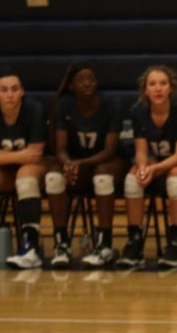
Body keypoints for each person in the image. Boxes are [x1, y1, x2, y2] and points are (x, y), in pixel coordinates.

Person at [116, 65, 177, 269]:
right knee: (133, 179)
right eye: (152, 84)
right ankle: (135, 242)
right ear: (145, 90)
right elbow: (140, 151)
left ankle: (175, 241)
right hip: (158, 160)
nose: (158, 89)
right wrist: (144, 167)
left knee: (175, 178)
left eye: (163, 84)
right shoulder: (138, 111)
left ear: (171, 88)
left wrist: (154, 170)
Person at [45, 61, 128, 268]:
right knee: (54, 177)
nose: (88, 83)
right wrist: (68, 163)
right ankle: (61, 244)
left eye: (91, 78)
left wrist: (78, 164)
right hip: (78, 164)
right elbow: (61, 148)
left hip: (109, 162)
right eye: (81, 79)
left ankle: (105, 244)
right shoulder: (63, 104)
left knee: (102, 175)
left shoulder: (112, 103)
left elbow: (109, 151)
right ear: (72, 85)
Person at [0, 68, 46, 269]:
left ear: (22, 91)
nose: (9, 94)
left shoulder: (34, 110)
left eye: (14, 89)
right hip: (4, 171)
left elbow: (34, 155)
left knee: (25, 175)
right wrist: (16, 155)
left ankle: (30, 247)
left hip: (36, 169)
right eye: (4, 90)